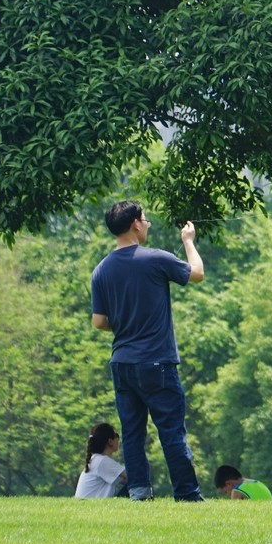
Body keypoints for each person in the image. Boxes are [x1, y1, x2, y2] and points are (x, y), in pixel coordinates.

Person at [91, 201, 206, 502]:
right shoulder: (154, 259)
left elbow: (99, 321)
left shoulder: (101, 270)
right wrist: (188, 241)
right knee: (171, 432)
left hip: (122, 363)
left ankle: (140, 494)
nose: (148, 223)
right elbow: (196, 273)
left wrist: (127, 322)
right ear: (135, 225)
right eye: (145, 219)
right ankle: (187, 494)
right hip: (157, 362)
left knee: (131, 434)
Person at [75, 422, 128, 499]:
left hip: (87, 506)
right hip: (90, 508)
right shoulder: (102, 461)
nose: (119, 439)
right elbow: (133, 477)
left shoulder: (97, 459)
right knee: (138, 484)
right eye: (116, 436)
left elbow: (124, 480)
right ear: (110, 441)